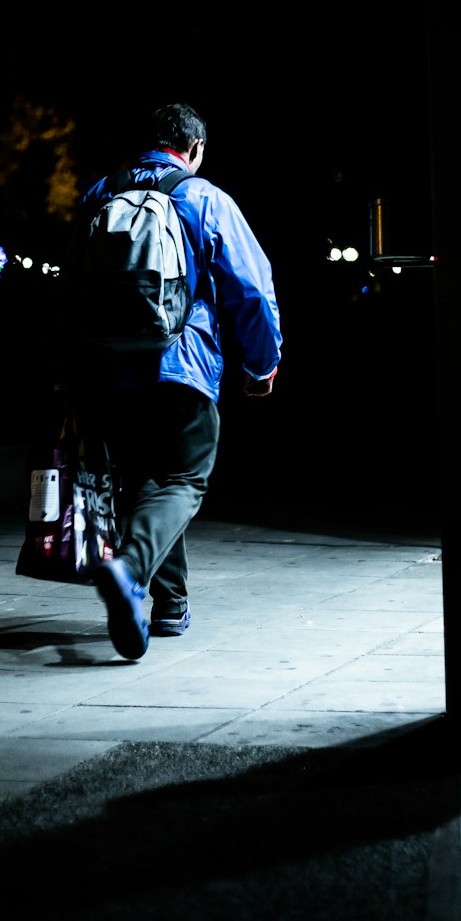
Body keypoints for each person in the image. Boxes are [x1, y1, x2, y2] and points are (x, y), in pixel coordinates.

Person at [68, 102, 282, 660]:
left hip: (110, 370)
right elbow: (252, 290)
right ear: (193, 150)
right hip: (181, 365)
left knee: (144, 483)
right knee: (182, 478)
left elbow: (73, 286)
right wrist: (262, 365)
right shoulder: (204, 197)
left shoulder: (98, 195)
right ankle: (130, 570)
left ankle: (167, 608)